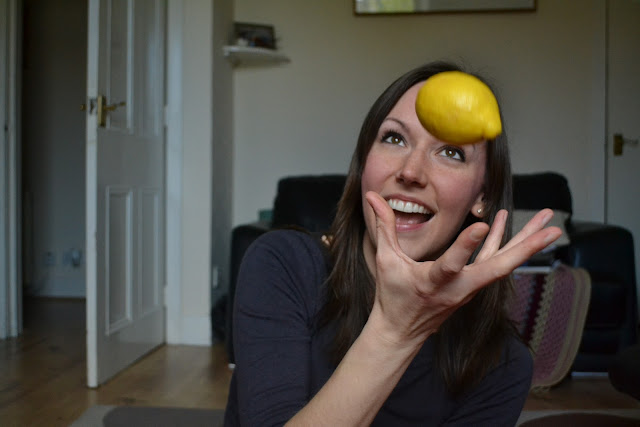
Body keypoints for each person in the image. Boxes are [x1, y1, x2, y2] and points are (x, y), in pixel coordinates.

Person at [224, 61, 562, 426]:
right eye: (395, 138)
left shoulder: (503, 365)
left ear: (483, 195)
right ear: (364, 162)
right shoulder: (283, 265)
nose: (411, 172)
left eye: (451, 152)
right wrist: (396, 331)